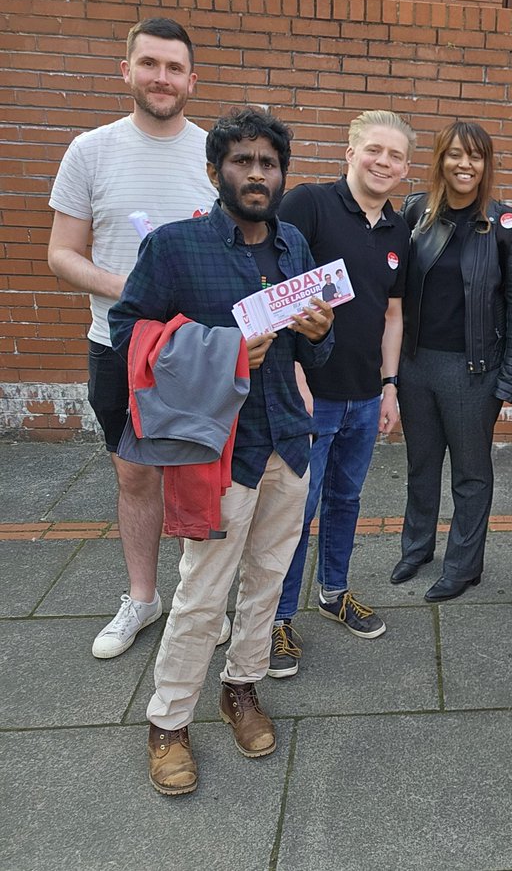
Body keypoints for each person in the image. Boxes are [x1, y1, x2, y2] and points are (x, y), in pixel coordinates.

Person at [108, 108, 333, 796]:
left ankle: (242, 687)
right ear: (216, 171)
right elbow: (129, 332)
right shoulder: (175, 248)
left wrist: (318, 332)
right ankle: (168, 722)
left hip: (288, 442)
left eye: (268, 163)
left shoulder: (293, 244)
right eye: (243, 162)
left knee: (268, 580)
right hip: (219, 451)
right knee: (201, 593)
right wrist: (223, 350)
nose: (257, 174)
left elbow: (303, 341)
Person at [46, 17, 231, 658]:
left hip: (193, 352)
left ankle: (196, 602)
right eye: (149, 64)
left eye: (174, 67)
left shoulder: (215, 157)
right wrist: (131, 288)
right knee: (135, 479)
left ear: (192, 81)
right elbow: (62, 254)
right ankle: (143, 599)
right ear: (126, 70)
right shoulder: (89, 150)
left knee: (197, 477)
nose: (161, 77)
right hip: (118, 347)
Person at [267, 111, 413, 679]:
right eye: (373, 150)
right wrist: (295, 375)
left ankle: (333, 592)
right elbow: (275, 292)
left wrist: (389, 386)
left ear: (405, 168)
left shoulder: (398, 230)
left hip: (364, 395)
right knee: (294, 510)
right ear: (349, 153)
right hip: (312, 394)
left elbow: (394, 314)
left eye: (395, 156)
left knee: (346, 502)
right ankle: (275, 618)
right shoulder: (308, 205)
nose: (383, 163)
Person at [390, 121, 512, 603]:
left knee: (471, 474)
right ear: (440, 160)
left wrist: (511, 376)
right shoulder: (416, 211)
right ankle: (416, 548)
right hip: (416, 364)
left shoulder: (505, 224)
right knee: (421, 464)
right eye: (454, 154)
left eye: (474, 156)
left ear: (486, 164)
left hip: (473, 371)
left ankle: (464, 566)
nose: (464, 164)